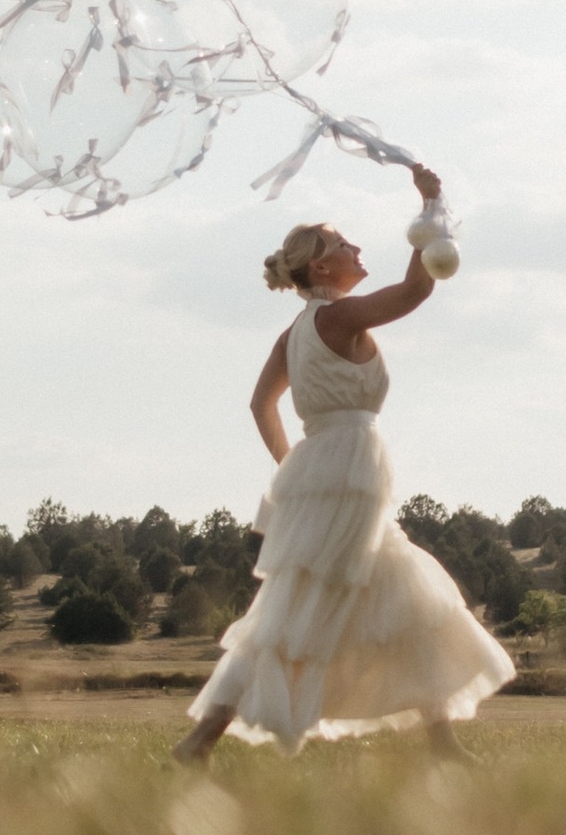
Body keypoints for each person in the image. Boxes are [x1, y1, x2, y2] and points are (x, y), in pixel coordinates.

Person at [173, 168, 514, 762]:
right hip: (346, 468)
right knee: (305, 608)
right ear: (323, 269)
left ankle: (443, 743)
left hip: (327, 469)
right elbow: (416, 291)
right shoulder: (337, 317)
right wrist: (431, 205)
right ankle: (199, 742)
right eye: (343, 244)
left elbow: (262, 405)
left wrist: (295, 474)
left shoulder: (293, 333)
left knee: (394, 592)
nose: (356, 248)